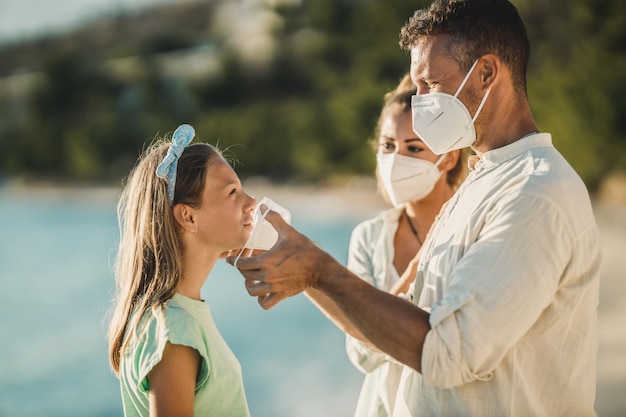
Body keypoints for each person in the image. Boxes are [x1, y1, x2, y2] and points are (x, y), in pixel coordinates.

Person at [228, 1, 601, 416]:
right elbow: (396, 335)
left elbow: (450, 354)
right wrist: (306, 268)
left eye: (432, 83)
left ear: (486, 73)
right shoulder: (483, 179)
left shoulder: (535, 191)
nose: (419, 102)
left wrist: (322, 270)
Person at [108, 124, 255, 417]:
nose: (251, 202)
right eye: (232, 192)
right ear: (188, 216)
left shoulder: (178, 316)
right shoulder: (175, 331)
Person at [344, 73, 467, 417]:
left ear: (450, 157)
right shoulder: (368, 237)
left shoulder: (474, 225)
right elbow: (360, 352)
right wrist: (408, 279)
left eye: (414, 148)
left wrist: (384, 318)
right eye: (388, 146)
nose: (396, 159)